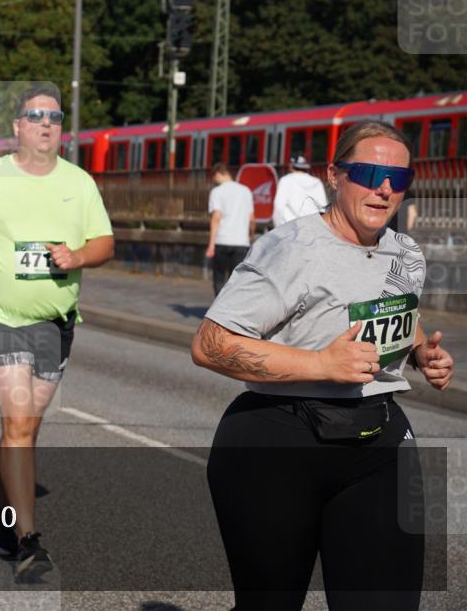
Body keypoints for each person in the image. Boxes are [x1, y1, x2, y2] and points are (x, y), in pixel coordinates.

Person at [191, 121, 455, 611]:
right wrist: (322, 363)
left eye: (398, 178)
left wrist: (420, 353)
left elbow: (390, 307)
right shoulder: (289, 249)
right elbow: (210, 344)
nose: (384, 188)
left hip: (378, 441)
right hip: (277, 444)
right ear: (334, 175)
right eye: (371, 172)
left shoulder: (404, 251)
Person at [0, 86, 114, 582]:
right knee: (16, 426)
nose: (45, 123)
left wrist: (78, 256)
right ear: (17, 126)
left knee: (25, 430)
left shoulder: (80, 182)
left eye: (54, 116)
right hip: (0, 317)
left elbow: (105, 241)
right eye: (35, 116)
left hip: (57, 322)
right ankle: (29, 542)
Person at [205, 162, 255, 297]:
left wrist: (211, 245)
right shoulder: (246, 191)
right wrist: (250, 236)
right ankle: (234, 313)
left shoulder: (217, 192)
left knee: (219, 278)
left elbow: (216, 217)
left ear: (218, 174)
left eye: (214, 177)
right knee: (237, 281)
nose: (214, 181)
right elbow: (252, 219)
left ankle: (219, 313)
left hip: (222, 241)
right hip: (241, 243)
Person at [272, 155, 328, 227]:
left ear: (291, 166)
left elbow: (278, 207)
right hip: (311, 229)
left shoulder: (286, 180)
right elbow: (323, 209)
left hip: (289, 229)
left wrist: (277, 228)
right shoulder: (317, 182)